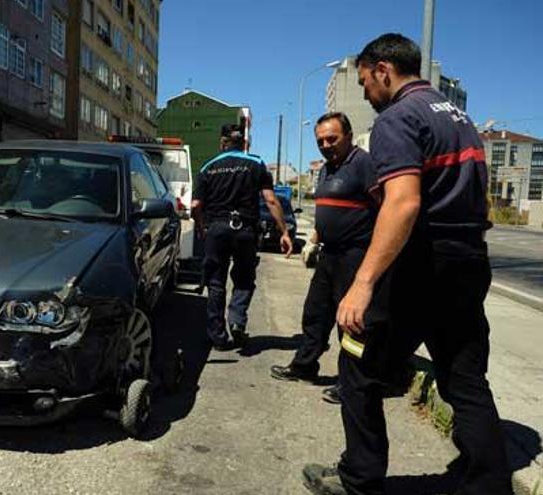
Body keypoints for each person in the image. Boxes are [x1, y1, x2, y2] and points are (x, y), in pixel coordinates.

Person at [303, 33, 512, 495]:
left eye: (364, 83)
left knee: (357, 365)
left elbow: (402, 204)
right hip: (468, 261)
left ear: (383, 70)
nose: (365, 93)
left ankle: (359, 478)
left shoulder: (399, 118)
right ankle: (488, 484)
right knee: (464, 376)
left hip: (420, 266)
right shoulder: (459, 117)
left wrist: (363, 284)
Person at [270, 112, 378, 407]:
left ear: (349, 135)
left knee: (351, 323)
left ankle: (351, 385)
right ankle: (304, 366)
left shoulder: (364, 164)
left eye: (332, 138)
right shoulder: (326, 169)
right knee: (315, 313)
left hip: (355, 254)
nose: (326, 145)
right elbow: (327, 210)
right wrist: (315, 240)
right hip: (329, 253)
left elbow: (386, 207)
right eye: (320, 141)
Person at [191, 124, 293, 351]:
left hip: (216, 229)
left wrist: (200, 227)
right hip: (245, 230)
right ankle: (237, 321)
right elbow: (271, 200)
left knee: (216, 283)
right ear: (244, 143)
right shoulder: (256, 164)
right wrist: (284, 232)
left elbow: (196, 205)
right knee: (244, 278)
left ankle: (218, 336)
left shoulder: (208, 167)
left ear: (222, 143)